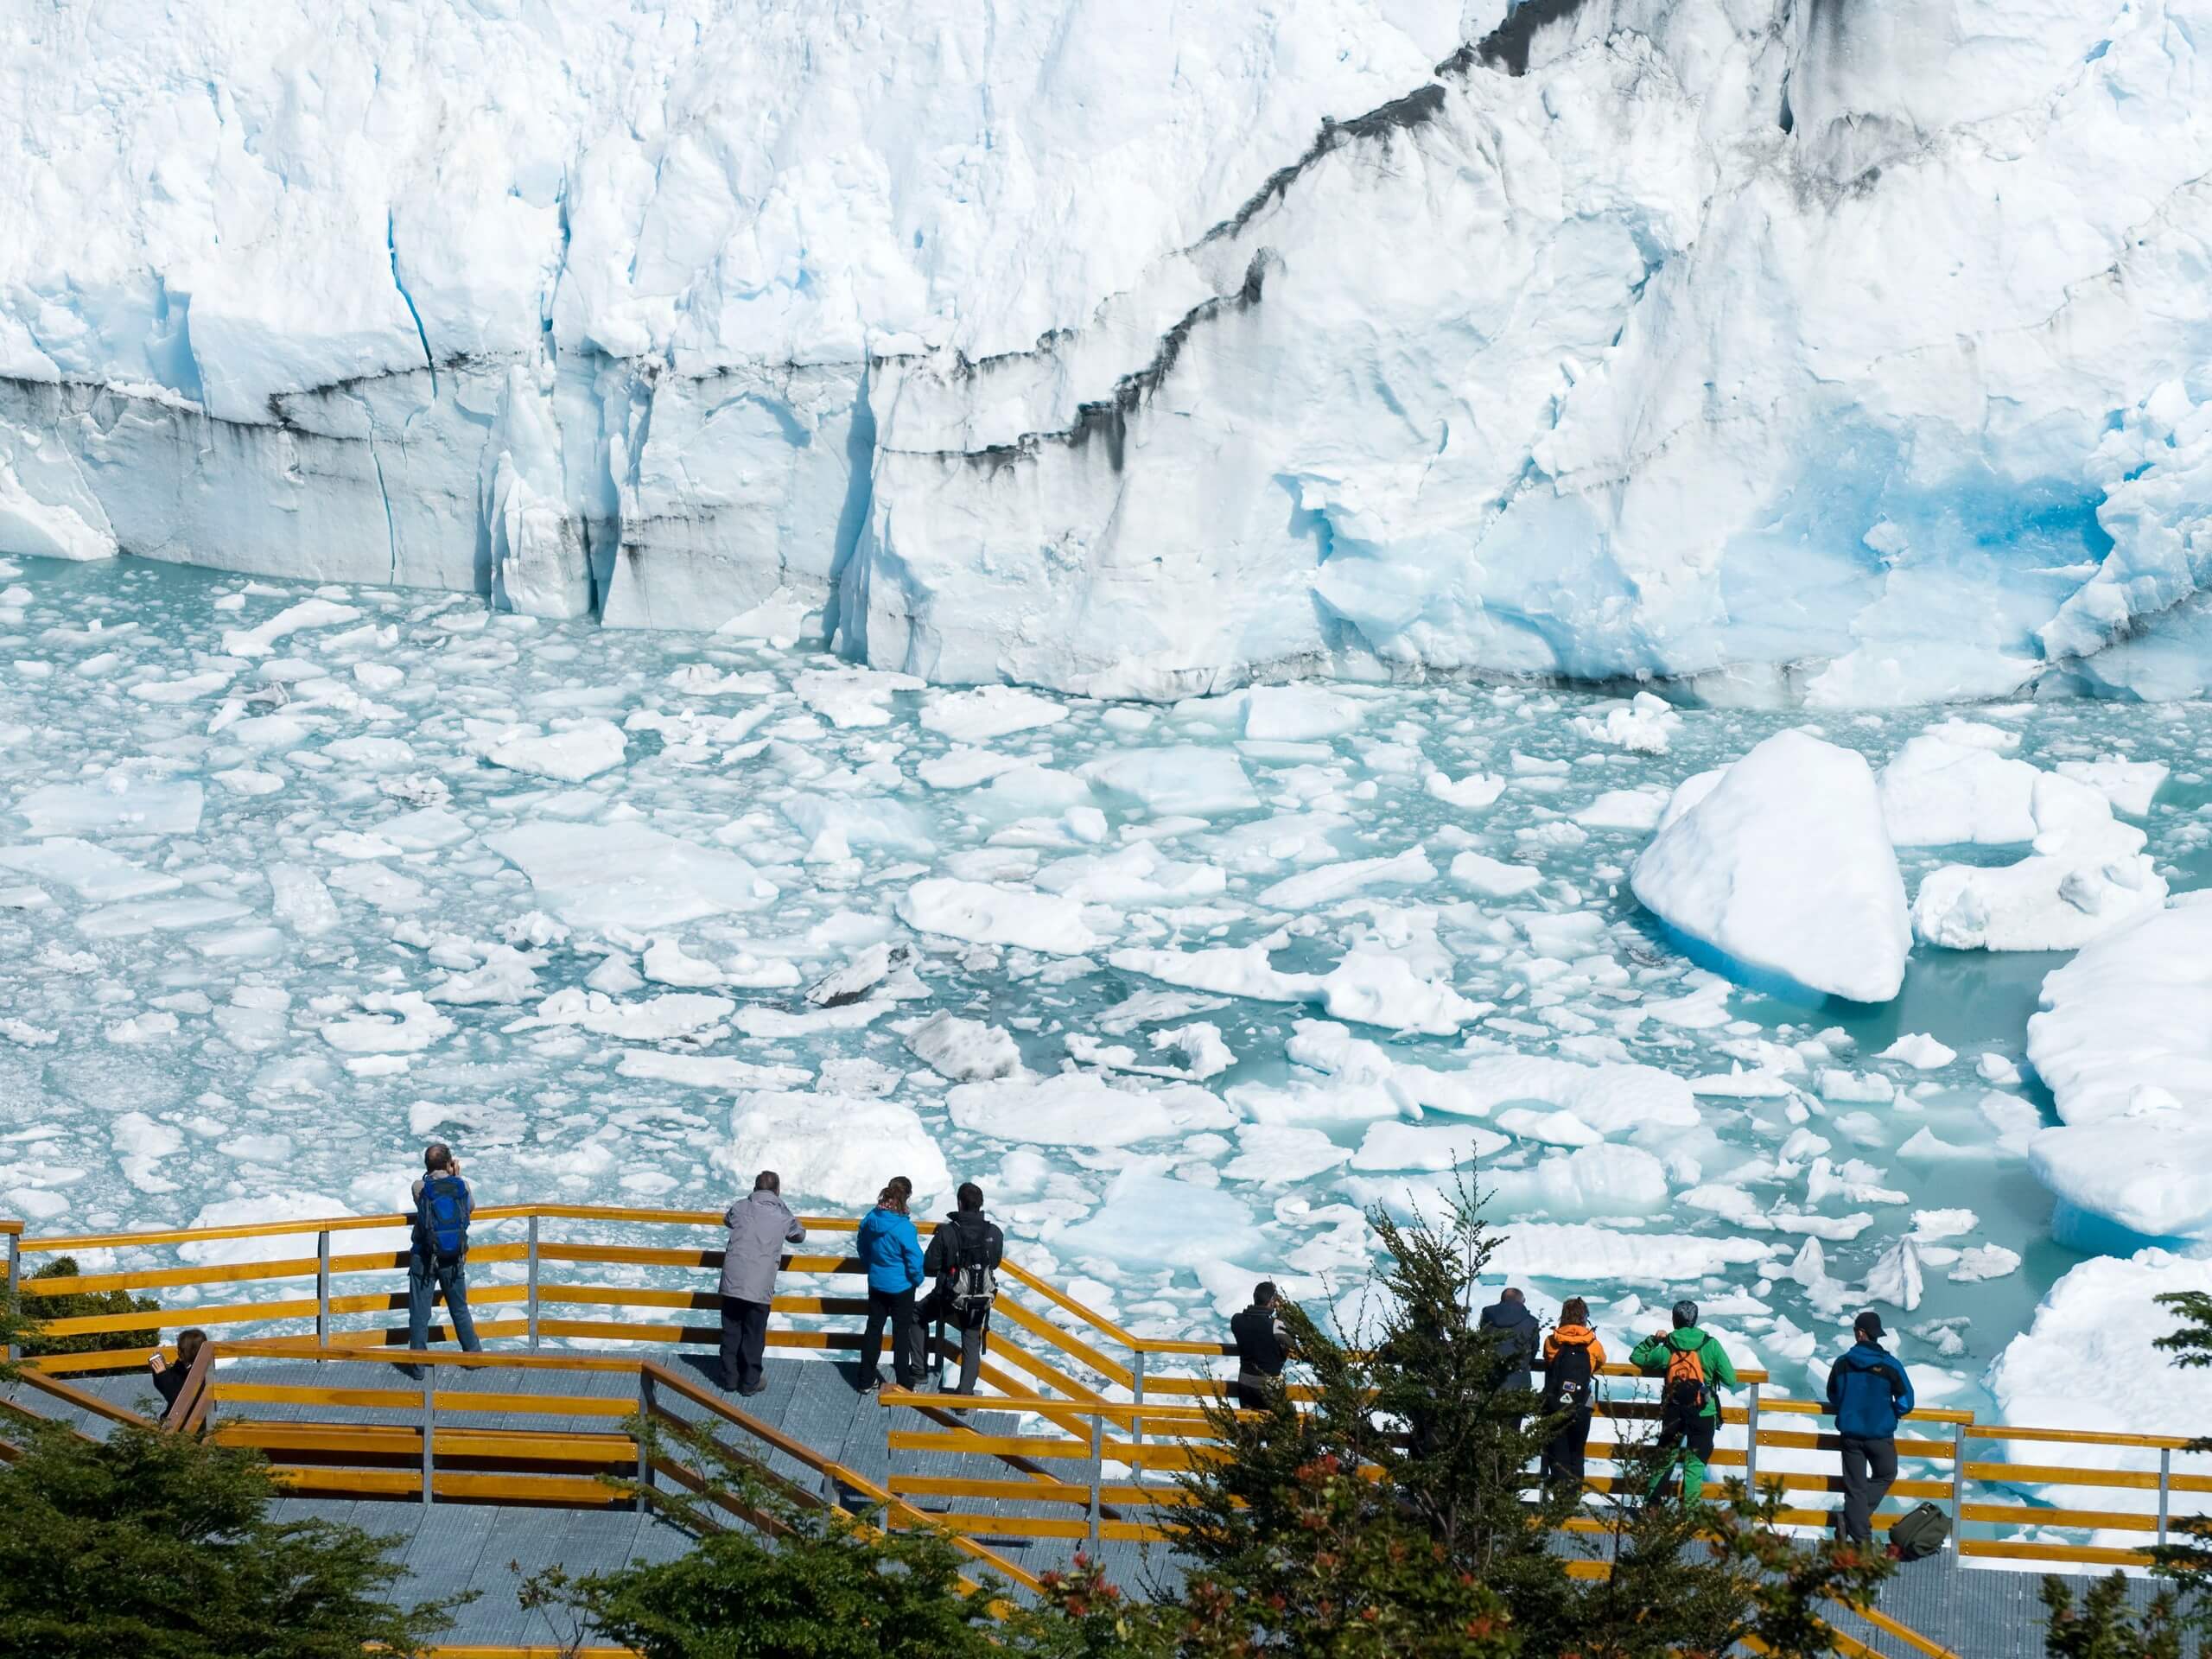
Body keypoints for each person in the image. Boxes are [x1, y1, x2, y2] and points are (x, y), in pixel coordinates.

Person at [1630, 1300, 1738, 1502]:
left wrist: (1654, 1340)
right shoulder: (1710, 1344)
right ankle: (1688, 1517)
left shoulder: (1668, 1347)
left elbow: (1637, 1357)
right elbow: (1730, 1379)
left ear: (1674, 1321)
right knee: (1695, 1466)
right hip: (1704, 1412)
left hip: (1674, 1411)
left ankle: (1651, 1510)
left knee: (1664, 1461)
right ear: (1695, 1320)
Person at [1827, 1310, 1915, 1547]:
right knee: (1886, 1474)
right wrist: (1889, 1414)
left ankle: (1854, 1529)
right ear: (1876, 1335)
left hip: (1850, 1436)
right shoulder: (1890, 1365)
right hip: (1880, 1435)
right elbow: (1907, 1403)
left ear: (1859, 1333)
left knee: (1855, 1488)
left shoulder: (1842, 1363)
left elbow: (1833, 1396)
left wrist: (1850, 1408)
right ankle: (1857, 1532)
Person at [721, 1170, 805, 1396]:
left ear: (755, 1188)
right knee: (753, 1334)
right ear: (777, 1191)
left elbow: (728, 1219)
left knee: (731, 1330)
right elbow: (799, 1235)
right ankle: (749, 1382)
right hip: (759, 1284)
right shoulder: (782, 1216)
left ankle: (730, 1378)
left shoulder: (740, 1206)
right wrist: (781, 1206)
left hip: (732, 1279)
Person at [923, 1182, 1003, 1398]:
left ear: (959, 1204)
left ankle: (919, 1371)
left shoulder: (948, 1232)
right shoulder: (994, 1233)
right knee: (971, 1340)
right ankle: (964, 1396)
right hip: (978, 1300)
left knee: (915, 1315)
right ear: (980, 1204)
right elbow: (994, 1263)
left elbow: (929, 1265)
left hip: (948, 1298)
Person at [405, 1143, 480, 1371]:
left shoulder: (419, 1187)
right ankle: (474, 1357)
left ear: (426, 1165)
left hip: (424, 1258)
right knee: (459, 1308)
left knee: (420, 1312)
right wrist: (456, 1175)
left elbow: (424, 1196)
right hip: (453, 1259)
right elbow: (471, 1208)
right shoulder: (462, 1186)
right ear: (449, 1163)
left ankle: (417, 1364)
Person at [855, 1176, 925, 1393]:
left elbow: (862, 1244)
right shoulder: (905, 1228)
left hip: (877, 1283)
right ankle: (904, 1380)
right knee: (901, 1333)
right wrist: (917, 1279)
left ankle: (866, 1379)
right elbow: (914, 1258)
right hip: (901, 1287)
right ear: (907, 1198)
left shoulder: (871, 1219)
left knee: (873, 1329)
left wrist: (871, 1265)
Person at [1540, 1298, 1605, 1488]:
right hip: (1582, 1404)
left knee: (1558, 1452)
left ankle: (1560, 1498)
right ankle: (1573, 1498)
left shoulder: (1552, 1340)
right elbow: (1601, 1360)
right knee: (1577, 1452)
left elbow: (1548, 1359)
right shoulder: (1592, 1343)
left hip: (1555, 1404)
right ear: (1584, 1317)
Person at [1230, 1282, 1290, 1409]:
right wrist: (1283, 1314)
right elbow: (1289, 1342)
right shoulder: (1276, 1325)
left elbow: (1250, 1322)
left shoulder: (1237, 1320)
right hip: (1270, 1387)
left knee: (1249, 1424)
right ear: (1272, 1302)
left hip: (1245, 1384)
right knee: (1276, 1425)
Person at [1477, 1286, 1541, 1395]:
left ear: (1502, 1300)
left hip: (1491, 1379)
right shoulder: (1531, 1322)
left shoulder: (1488, 1317)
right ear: (1522, 1301)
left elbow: (1481, 1342)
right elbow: (1533, 1349)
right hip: (1519, 1380)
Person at [149, 1327, 208, 1424]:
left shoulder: (197, 1375)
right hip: (178, 1420)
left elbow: (177, 1399)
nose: (178, 1352)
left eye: (180, 1349)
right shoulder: (184, 1367)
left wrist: (162, 1374)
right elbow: (167, 1385)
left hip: (186, 1424)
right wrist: (161, 1370)